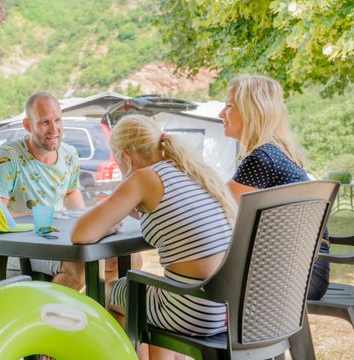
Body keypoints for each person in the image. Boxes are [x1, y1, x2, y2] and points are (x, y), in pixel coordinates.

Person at [71, 114, 237, 360]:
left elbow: (80, 233)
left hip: (192, 310)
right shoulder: (190, 170)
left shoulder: (145, 177)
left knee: (102, 295)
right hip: (225, 306)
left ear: (125, 156)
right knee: (134, 295)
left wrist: (106, 226)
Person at [219, 74, 330, 300]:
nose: (221, 114)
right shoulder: (276, 152)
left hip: (293, 277)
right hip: (308, 272)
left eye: (228, 106)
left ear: (251, 111)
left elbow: (215, 209)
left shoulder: (262, 158)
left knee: (198, 273)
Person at [0, 92, 86, 290]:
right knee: (78, 268)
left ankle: (102, 318)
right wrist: (37, 216)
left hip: (58, 241)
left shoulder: (69, 154)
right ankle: (46, 318)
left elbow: (70, 192)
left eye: (57, 120)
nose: (54, 129)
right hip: (18, 247)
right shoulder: (8, 157)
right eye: (45, 122)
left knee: (123, 260)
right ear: (27, 125)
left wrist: (86, 221)